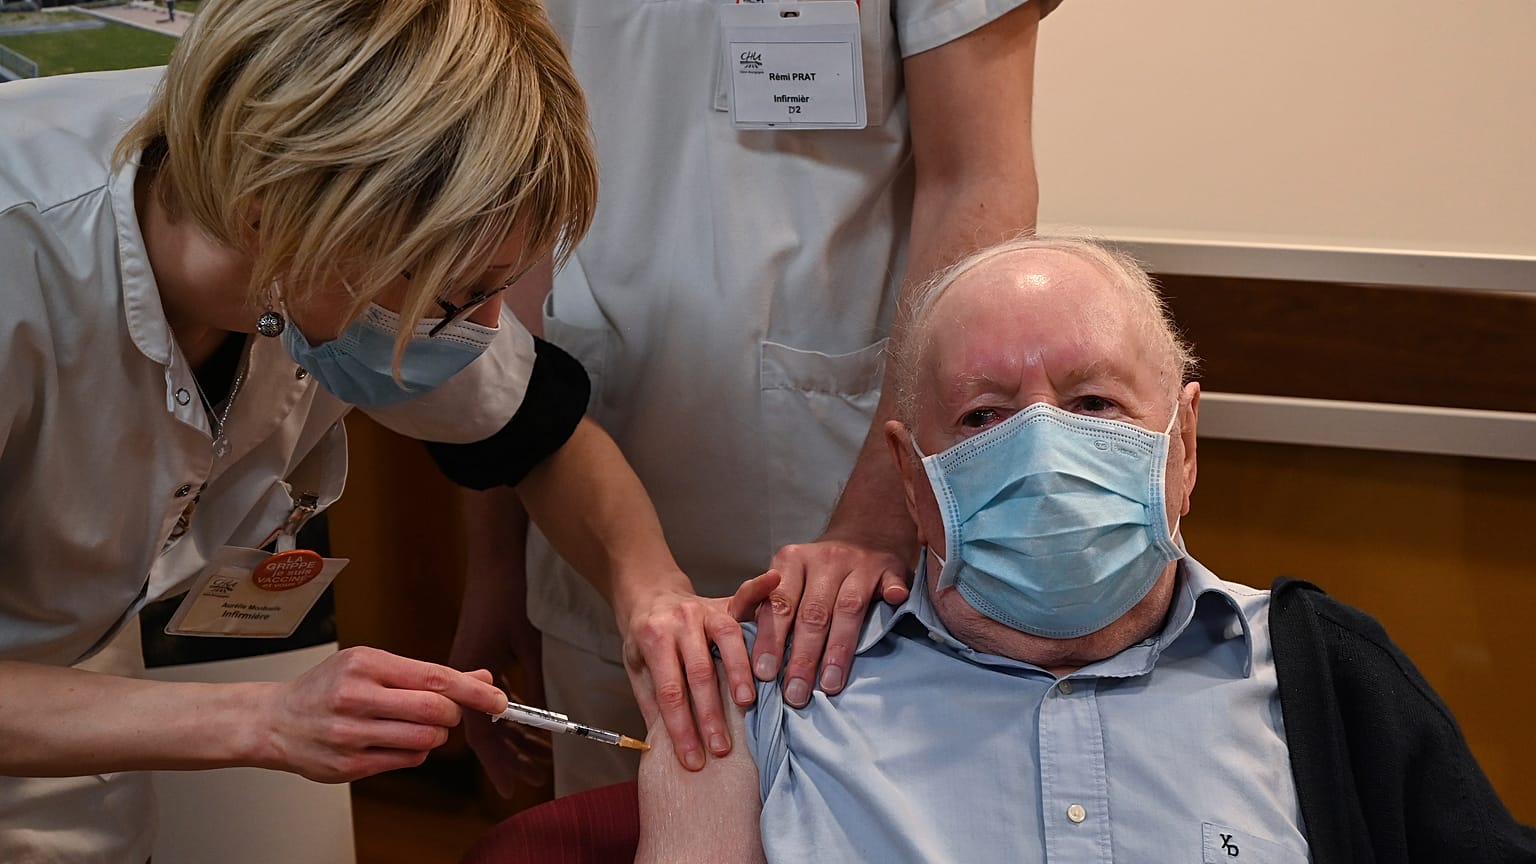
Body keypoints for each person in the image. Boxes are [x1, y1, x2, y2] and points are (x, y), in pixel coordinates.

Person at [0, 0, 771, 860]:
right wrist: (263, 718)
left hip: (72, 694)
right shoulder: (21, 264)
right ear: (275, 225)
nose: (482, 327)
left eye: (495, 286)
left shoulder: (332, 231)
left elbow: (543, 439)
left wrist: (649, 590)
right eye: (457, 295)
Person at [634, 236, 1536, 863]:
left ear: (1184, 443)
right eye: (984, 416)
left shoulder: (1327, 681)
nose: (1042, 450)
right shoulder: (760, 697)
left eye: (1095, 404)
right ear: (914, 479)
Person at [457, 0, 1061, 797]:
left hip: (844, 523)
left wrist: (877, 518)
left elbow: (978, 182)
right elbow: (495, 184)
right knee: (623, 830)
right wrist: (495, 560)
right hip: (583, 508)